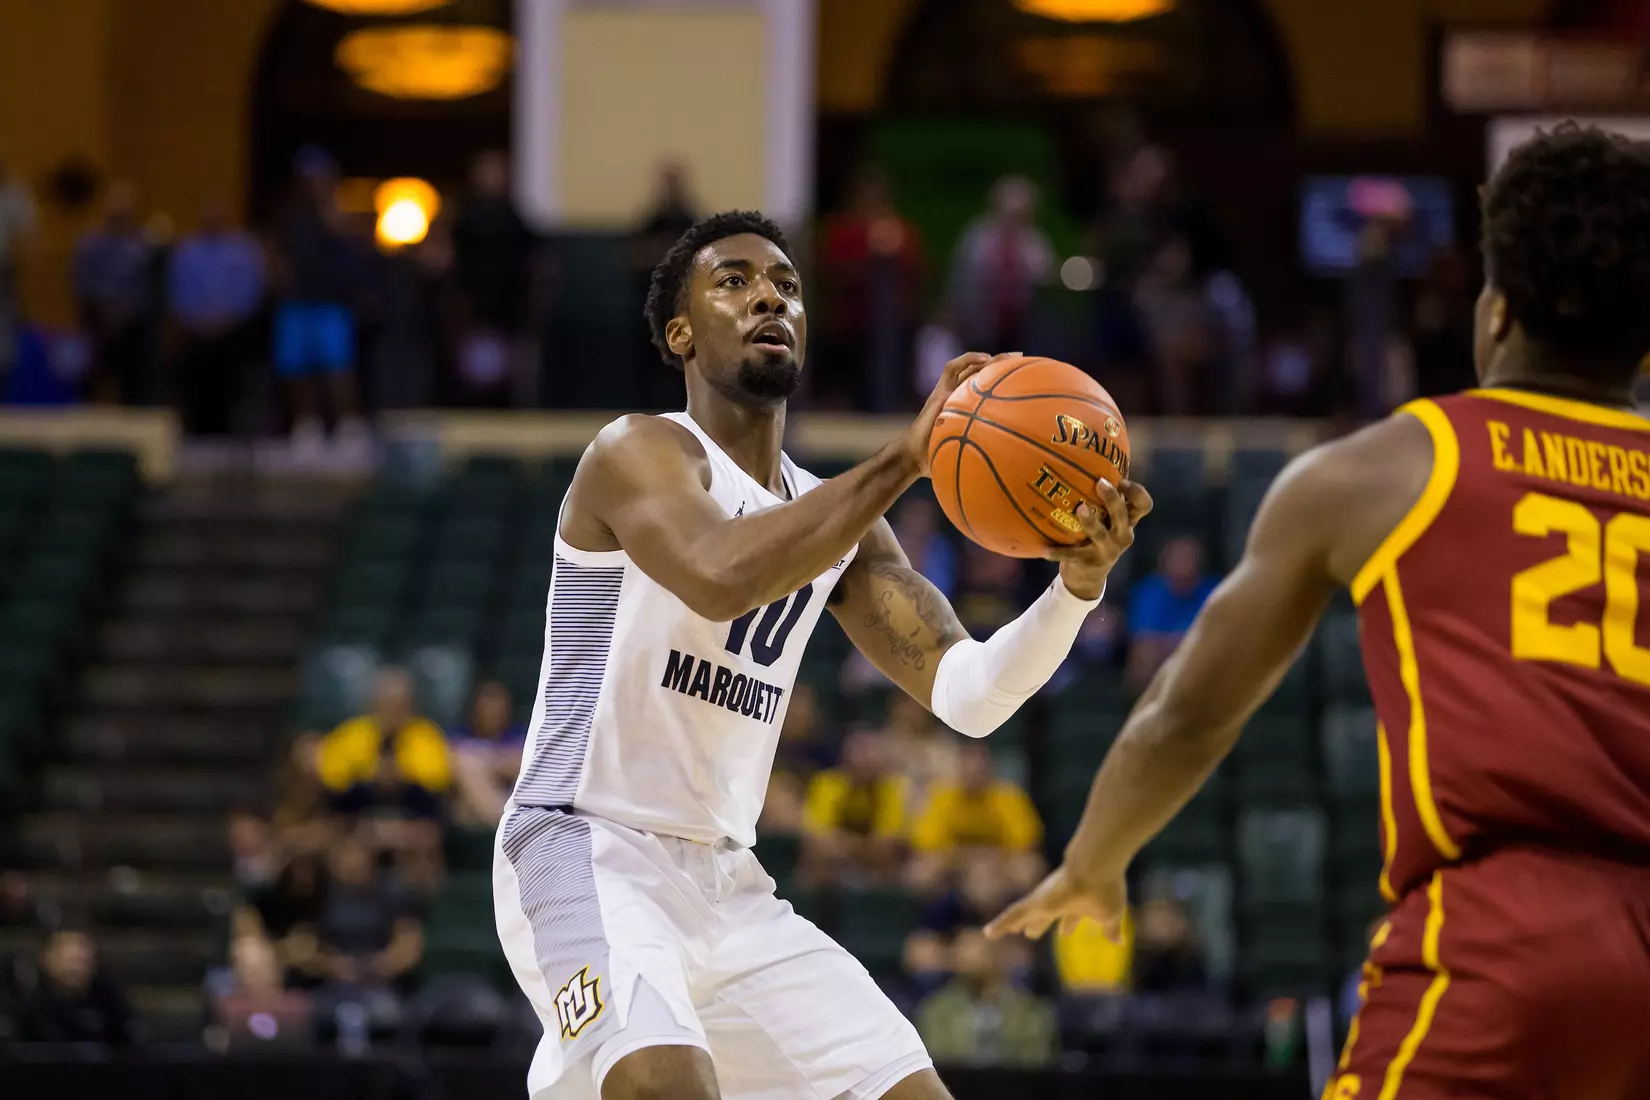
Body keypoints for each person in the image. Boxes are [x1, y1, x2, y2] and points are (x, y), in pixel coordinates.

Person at [987, 125, 1650, 1099]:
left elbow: (1190, 713)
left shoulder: (1390, 468)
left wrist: (1095, 859)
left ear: (1497, 311)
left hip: (1505, 935)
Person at [494, 209, 1149, 1100]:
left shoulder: (841, 522)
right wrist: (908, 459)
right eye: (733, 281)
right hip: (584, 839)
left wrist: (1076, 588)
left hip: (724, 878)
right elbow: (719, 576)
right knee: (661, 1085)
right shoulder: (639, 452)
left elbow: (970, 695)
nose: (768, 294)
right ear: (680, 333)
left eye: (787, 286)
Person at [165, 193, 266, 434]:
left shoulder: (243, 250)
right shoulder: (187, 250)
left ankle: (232, 432)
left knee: (235, 378)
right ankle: (193, 431)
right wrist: (198, 318)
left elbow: (250, 290)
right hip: (194, 329)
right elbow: (178, 290)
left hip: (234, 330)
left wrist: (226, 317)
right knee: (191, 378)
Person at [908, 741, 1044, 894]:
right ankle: (937, 915)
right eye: (968, 771)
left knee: (1028, 869)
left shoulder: (1008, 796)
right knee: (921, 873)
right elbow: (926, 842)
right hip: (954, 863)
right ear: (959, 771)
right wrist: (966, 858)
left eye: (979, 771)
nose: (973, 777)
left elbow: (1026, 841)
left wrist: (990, 859)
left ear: (990, 771)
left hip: (999, 862)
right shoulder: (942, 797)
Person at [915, 928, 1057, 1069]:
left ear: (998, 955)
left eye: (978, 951)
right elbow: (936, 1068)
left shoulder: (1031, 1013)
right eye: (962, 953)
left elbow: (1036, 1068)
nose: (969, 958)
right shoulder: (936, 1012)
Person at [947, 176, 1054, 354]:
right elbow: (960, 279)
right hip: (979, 323)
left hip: (1023, 328)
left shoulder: (1035, 243)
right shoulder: (976, 238)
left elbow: (1045, 282)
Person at [73, 182, 155, 404]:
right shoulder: (90, 244)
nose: (118, 219)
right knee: (90, 377)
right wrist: (105, 308)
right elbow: (83, 283)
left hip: (132, 324)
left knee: (135, 381)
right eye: (114, 214)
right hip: (98, 321)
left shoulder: (144, 246)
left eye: (124, 215)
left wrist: (126, 311)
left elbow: (148, 287)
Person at [800, 727, 909, 885]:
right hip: (836, 859)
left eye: (869, 755)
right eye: (859, 754)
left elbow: (888, 840)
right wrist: (860, 847)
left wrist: (851, 847)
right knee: (817, 853)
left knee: (891, 857)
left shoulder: (891, 788)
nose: (864, 761)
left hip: (874, 863)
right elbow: (818, 833)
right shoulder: (828, 783)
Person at [1124, 535, 1216, 689]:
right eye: (1178, 557)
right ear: (1165, 562)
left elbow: (1216, 641)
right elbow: (1145, 644)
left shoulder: (1214, 591)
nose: (1183, 563)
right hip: (1159, 668)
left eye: (1188, 557)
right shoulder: (1149, 590)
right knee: (1144, 659)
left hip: (1202, 666)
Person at [14, 928, 134, 1045]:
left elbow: (127, 1042)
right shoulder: (32, 1005)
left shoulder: (108, 999)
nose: (76, 969)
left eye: (83, 961)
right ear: (48, 960)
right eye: (70, 960)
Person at [449, 679, 526, 827]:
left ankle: (509, 823)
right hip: (470, 811)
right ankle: (509, 824)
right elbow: (453, 764)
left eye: (498, 705)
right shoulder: (459, 735)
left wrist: (488, 760)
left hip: (510, 796)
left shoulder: (519, 735)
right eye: (487, 706)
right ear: (475, 708)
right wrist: (499, 762)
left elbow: (523, 764)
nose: (492, 712)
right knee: (467, 768)